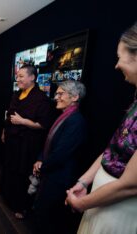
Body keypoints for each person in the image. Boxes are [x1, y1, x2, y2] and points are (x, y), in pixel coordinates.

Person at [65, 22, 137, 234]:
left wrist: (82, 203)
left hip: (119, 212)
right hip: (101, 202)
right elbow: (111, 149)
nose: (116, 65)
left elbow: (131, 184)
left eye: (119, 57)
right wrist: (84, 180)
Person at [0, 64, 55, 219]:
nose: (18, 79)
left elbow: (42, 125)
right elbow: (9, 115)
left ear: (32, 77)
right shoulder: (17, 94)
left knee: (21, 174)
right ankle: (6, 195)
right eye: (17, 76)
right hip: (12, 141)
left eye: (21, 76)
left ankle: (19, 206)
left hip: (26, 145)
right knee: (9, 168)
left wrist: (23, 122)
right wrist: (4, 131)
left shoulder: (41, 99)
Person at [32, 80, 87, 234]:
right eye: (56, 93)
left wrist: (42, 165)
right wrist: (40, 158)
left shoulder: (76, 121)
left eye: (60, 93)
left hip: (59, 179)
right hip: (50, 173)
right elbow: (48, 141)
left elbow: (61, 154)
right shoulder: (64, 116)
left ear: (75, 97)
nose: (56, 97)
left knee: (48, 218)